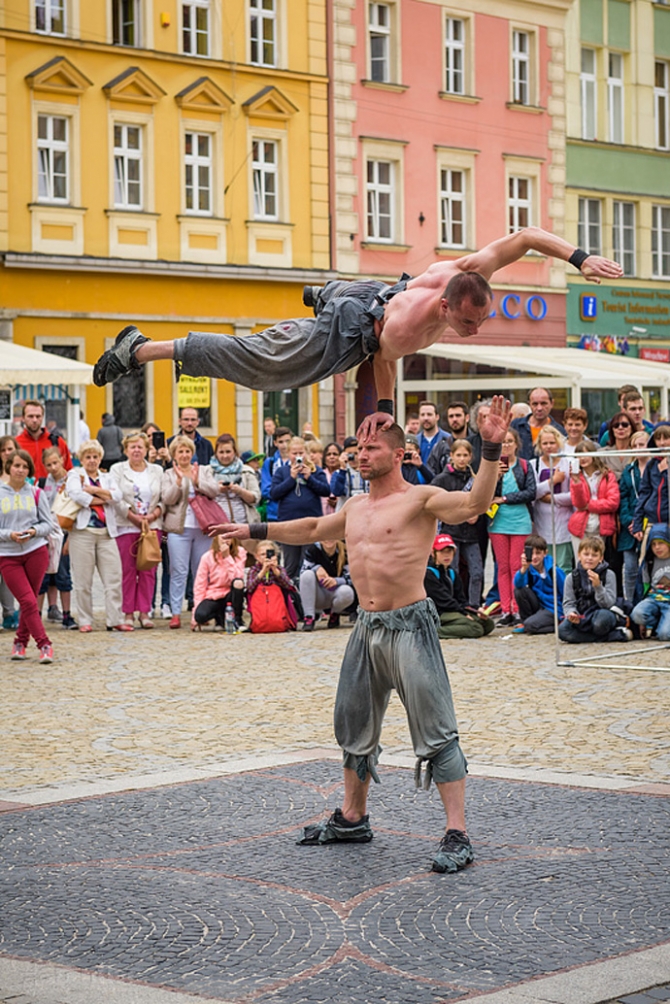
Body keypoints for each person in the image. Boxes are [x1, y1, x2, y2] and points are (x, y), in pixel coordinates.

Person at [211, 397, 511, 874]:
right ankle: (353, 816)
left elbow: (475, 504)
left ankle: (458, 831)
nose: (360, 454)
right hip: (366, 628)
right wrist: (251, 527)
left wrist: (490, 447)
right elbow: (310, 526)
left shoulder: (421, 498)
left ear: (397, 454)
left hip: (410, 625)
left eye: (370, 448)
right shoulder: (354, 506)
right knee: (353, 724)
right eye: (358, 448)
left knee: (436, 729)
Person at [93, 227, 623, 434]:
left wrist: (579, 258)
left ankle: (325, 291)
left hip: (367, 291)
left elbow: (526, 236)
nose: (471, 329)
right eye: (465, 322)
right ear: (445, 306)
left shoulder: (469, 272)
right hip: (355, 326)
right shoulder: (416, 322)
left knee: (277, 349)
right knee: (262, 365)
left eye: (479, 320)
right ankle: (141, 350)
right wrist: (387, 418)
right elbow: (383, 362)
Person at [65, 439, 128, 632]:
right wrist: (103, 498)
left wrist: (94, 491)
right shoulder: (75, 475)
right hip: (83, 532)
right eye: (88, 457)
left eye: (95, 457)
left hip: (106, 532)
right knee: (83, 580)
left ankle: (115, 619)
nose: (92, 461)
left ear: (100, 458)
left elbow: (118, 496)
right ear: (81, 459)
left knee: (114, 578)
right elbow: (76, 495)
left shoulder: (106, 477)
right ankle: (85, 620)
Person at [0, 450, 56, 663]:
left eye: (25, 467)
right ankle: (44, 644)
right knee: (27, 600)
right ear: (9, 467)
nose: (20, 470)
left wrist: (33, 532)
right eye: (16, 466)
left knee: (29, 602)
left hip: (35, 552)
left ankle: (20, 642)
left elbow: (47, 524)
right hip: (7, 554)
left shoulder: (36, 493)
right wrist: (9, 535)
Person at [161, 435, 220, 628]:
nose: (184, 455)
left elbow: (214, 491)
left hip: (202, 528)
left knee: (201, 571)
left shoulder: (203, 470)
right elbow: (167, 500)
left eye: (187, 451)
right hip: (179, 528)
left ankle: (199, 611)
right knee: (178, 571)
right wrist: (179, 484)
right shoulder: (169, 474)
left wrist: (196, 483)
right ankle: (175, 612)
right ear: (174, 455)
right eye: (180, 452)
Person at [111, 431, 164, 629]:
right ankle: (127, 613)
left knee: (148, 569)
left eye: (140, 446)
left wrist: (153, 516)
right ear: (126, 450)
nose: (136, 450)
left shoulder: (157, 471)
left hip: (151, 526)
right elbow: (115, 497)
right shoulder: (117, 470)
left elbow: (164, 498)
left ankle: (144, 611)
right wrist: (133, 517)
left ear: (146, 449)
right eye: (132, 447)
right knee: (127, 570)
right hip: (126, 525)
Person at [488, 428, 536, 626]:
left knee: (517, 565)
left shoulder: (524, 465)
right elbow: (485, 492)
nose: (506, 446)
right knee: (503, 566)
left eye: (509, 441)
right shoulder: (491, 467)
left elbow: (531, 492)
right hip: (497, 522)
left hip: (520, 522)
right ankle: (505, 609)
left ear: (517, 444)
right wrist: (496, 477)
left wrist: (506, 499)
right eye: (503, 442)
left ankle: (517, 608)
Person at [270, 436, 331, 578]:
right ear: (288, 454)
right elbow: (274, 494)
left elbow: (325, 490)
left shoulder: (315, 471)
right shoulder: (282, 472)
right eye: (294, 453)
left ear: (306, 453)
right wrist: (291, 478)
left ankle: (306, 595)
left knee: (308, 563)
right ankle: (291, 596)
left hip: (311, 524)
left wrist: (310, 478)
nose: (298, 456)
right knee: (290, 564)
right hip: (289, 524)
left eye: (301, 453)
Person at [431, 439, 483, 607]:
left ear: (470, 457)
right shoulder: (442, 479)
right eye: (458, 455)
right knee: (452, 572)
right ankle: (453, 605)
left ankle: (474, 606)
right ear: (451, 456)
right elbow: (432, 503)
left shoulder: (475, 479)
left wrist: (477, 514)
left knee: (477, 572)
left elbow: (484, 502)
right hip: (450, 533)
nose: (462, 459)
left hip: (471, 533)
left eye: (465, 455)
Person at [558, 535, 631, 644]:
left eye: (594, 555)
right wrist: (572, 613)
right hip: (582, 615)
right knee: (562, 631)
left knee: (599, 623)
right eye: (586, 554)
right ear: (579, 556)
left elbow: (609, 604)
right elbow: (568, 602)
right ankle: (615, 635)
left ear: (601, 558)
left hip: (602, 612)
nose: (590, 558)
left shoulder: (609, 574)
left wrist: (598, 587)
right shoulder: (571, 577)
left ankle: (599, 633)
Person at [423, 533, 494, 640]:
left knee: (488, 624)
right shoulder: (429, 574)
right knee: (475, 628)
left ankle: (455, 626)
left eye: (449, 552)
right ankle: (430, 633)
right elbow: (444, 601)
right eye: (442, 552)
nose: (446, 555)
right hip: (438, 612)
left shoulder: (452, 573)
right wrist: (464, 613)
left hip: (452, 609)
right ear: (433, 553)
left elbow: (461, 598)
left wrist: (475, 610)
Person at [38, 447, 77, 630]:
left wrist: (70, 538)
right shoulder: (42, 482)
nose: (53, 467)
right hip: (46, 534)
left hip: (64, 532)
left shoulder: (72, 480)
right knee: (43, 577)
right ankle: (36, 615)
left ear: (62, 459)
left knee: (63, 574)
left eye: (55, 462)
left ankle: (67, 614)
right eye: (49, 464)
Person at [199, 434, 261, 545]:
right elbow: (201, 498)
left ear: (235, 452)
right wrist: (216, 489)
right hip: (216, 528)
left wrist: (239, 491)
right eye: (221, 452)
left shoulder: (246, 471)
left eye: (228, 452)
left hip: (243, 526)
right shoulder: (206, 471)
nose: (225, 456)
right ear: (216, 453)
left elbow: (255, 498)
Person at [530, 427, 573, 574]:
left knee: (563, 566)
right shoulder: (533, 464)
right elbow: (532, 492)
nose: (548, 446)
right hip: (541, 526)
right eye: (545, 443)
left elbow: (573, 496)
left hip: (563, 525)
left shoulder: (568, 464)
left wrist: (550, 498)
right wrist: (552, 481)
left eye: (552, 443)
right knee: (542, 567)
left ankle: (563, 596)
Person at [568, 440, 620, 563]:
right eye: (579, 456)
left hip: (600, 526)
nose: (582, 459)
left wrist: (589, 505)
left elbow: (613, 503)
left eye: (585, 454)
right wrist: (576, 482)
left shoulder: (607, 475)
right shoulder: (577, 476)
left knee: (597, 563)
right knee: (580, 564)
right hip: (580, 527)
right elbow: (578, 504)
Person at [618, 431, 649, 601]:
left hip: (650, 524)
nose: (638, 449)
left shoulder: (657, 469)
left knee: (649, 570)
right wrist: (630, 521)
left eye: (642, 444)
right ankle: (630, 606)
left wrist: (642, 524)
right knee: (629, 569)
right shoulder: (628, 471)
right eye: (635, 445)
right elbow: (622, 498)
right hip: (629, 528)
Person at [513, 534, 565, 634]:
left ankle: (557, 625)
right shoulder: (529, 570)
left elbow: (565, 593)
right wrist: (523, 569)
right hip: (539, 606)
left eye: (538, 553)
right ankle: (527, 622)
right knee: (519, 591)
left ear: (545, 553)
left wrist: (564, 614)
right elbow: (518, 584)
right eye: (531, 554)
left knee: (531, 626)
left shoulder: (555, 571)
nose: (534, 557)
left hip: (553, 608)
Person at [192, 535, 247, 631]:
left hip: (231, 592)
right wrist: (195, 611)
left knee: (238, 583)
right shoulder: (207, 557)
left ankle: (238, 620)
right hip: (214, 594)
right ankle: (219, 619)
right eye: (223, 537)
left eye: (229, 537)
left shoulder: (240, 552)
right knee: (200, 615)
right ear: (216, 538)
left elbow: (237, 577)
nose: (226, 540)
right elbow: (200, 584)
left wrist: (227, 557)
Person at [299, 540, 355, 631]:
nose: (329, 539)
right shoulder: (313, 550)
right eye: (325, 536)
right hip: (317, 594)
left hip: (335, 593)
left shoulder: (344, 551)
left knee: (347, 592)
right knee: (307, 575)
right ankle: (309, 616)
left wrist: (336, 581)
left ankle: (335, 613)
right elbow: (302, 573)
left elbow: (351, 578)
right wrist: (316, 568)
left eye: (332, 535)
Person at [246, 541, 299, 633]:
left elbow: (288, 585)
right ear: (257, 556)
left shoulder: (279, 569)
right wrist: (262, 572)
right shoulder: (254, 570)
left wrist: (275, 571)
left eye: (269, 553)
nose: (266, 557)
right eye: (262, 554)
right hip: (260, 602)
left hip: (277, 602)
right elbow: (250, 588)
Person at [631, 425, 670, 546]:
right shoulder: (651, 464)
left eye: (666, 438)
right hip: (652, 522)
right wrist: (637, 525)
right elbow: (644, 494)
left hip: (668, 521)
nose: (662, 443)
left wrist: (665, 472)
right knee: (646, 560)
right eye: (658, 439)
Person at [15, 400, 72, 482]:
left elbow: (69, 471)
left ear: (42, 417)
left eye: (38, 416)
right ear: (23, 418)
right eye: (30, 416)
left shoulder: (57, 442)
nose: (34, 420)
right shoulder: (16, 443)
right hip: (25, 492)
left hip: (52, 492)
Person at [630, 524, 670, 640]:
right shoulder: (649, 562)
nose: (657, 547)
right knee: (637, 614)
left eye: (661, 543)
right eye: (653, 544)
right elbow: (644, 587)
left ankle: (664, 624)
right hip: (654, 599)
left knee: (664, 635)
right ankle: (659, 622)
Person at [511, 388, 566, 461]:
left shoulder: (559, 431)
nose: (539, 408)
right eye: (535, 404)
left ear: (552, 403)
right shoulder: (515, 426)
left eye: (543, 403)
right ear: (529, 404)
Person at [260, 426, 292, 523]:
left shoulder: (297, 461)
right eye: (281, 442)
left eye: (287, 441)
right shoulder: (270, 463)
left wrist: (278, 490)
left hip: (293, 512)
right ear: (275, 443)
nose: (284, 445)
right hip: (274, 513)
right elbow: (265, 490)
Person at [330, 438, 369, 509]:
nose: (353, 457)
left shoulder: (368, 471)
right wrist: (342, 469)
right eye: (350, 454)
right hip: (345, 514)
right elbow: (337, 492)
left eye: (356, 453)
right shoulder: (338, 473)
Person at [602, 411, 634, 480]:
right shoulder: (603, 453)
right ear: (612, 430)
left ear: (632, 428)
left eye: (624, 425)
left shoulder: (638, 452)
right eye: (616, 425)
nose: (620, 428)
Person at [320, 441, 343, 516]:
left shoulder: (344, 474)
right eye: (328, 454)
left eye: (335, 454)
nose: (331, 457)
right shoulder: (320, 474)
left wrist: (339, 502)